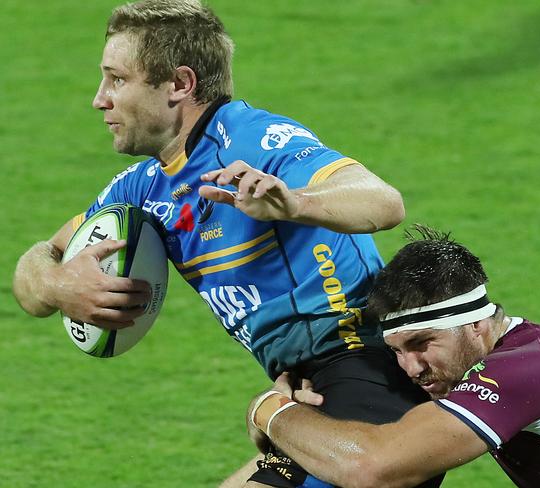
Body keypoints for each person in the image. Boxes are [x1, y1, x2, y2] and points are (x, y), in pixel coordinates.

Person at [12, 1, 440, 486]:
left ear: (179, 84)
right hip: (310, 391)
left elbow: (384, 202)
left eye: (116, 79)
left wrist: (293, 202)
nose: (99, 99)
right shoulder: (141, 188)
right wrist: (58, 283)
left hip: (370, 376)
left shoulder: (250, 141)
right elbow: (33, 273)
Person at [248, 225, 540, 488]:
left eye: (423, 343)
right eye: (397, 351)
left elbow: (372, 468)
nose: (411, 368)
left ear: (476, 324)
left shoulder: (523, 371)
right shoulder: (513, 352)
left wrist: (269, 411)